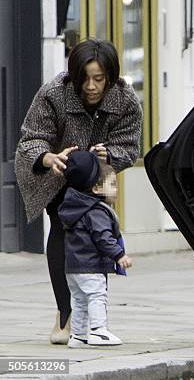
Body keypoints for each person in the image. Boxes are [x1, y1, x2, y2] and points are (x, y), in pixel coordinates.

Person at [15, 38, 142, 344]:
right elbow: (31, 139)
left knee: (101, 234)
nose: (91, 86)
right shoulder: (53, 94)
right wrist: (49, 158)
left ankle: (95, 318)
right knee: (63, 226)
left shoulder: (126, 100)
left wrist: (109, 155)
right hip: (60, 173)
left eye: (99, 79)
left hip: (101, 174)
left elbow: (130, 146)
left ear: (111, 76)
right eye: (84, 78)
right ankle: (65, 313)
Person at [58, 150, 132, 348]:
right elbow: (102, 237)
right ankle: (98, 330)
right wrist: (119, 255)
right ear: (97, 188)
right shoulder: (96, 211)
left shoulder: (74, 206)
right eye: (113, 185)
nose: (116, 189)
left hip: (73, 267)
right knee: (97, 295)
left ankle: (78, 336)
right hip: (91, 266)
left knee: (79, 300)